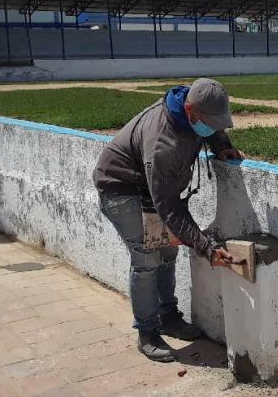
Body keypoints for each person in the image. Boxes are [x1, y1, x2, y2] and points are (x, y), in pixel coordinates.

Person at [93, 77, 243, 362]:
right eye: (209, 122)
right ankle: (147, 332)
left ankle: (168, 316)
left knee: (169, 249)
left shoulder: (193, 109)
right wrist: (207, 247)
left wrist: (221, 144)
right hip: (121, 188)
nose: (213, 127)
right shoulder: (163, 142)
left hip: (152, 188)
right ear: (190, 111)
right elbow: (170, 207)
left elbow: (210, 128)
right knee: (147, 256)